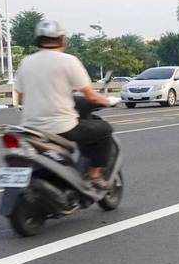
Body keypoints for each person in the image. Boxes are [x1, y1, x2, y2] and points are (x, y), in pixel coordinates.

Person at [14, 20, 115, 190]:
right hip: (62, 127)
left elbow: (22, 97)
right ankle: (95, 174)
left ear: (39, 40)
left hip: (30, 128)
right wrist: (109, 101)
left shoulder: (26, 62)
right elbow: (90, 95)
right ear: (61, 39)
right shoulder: (69, 61)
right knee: (104, 129)